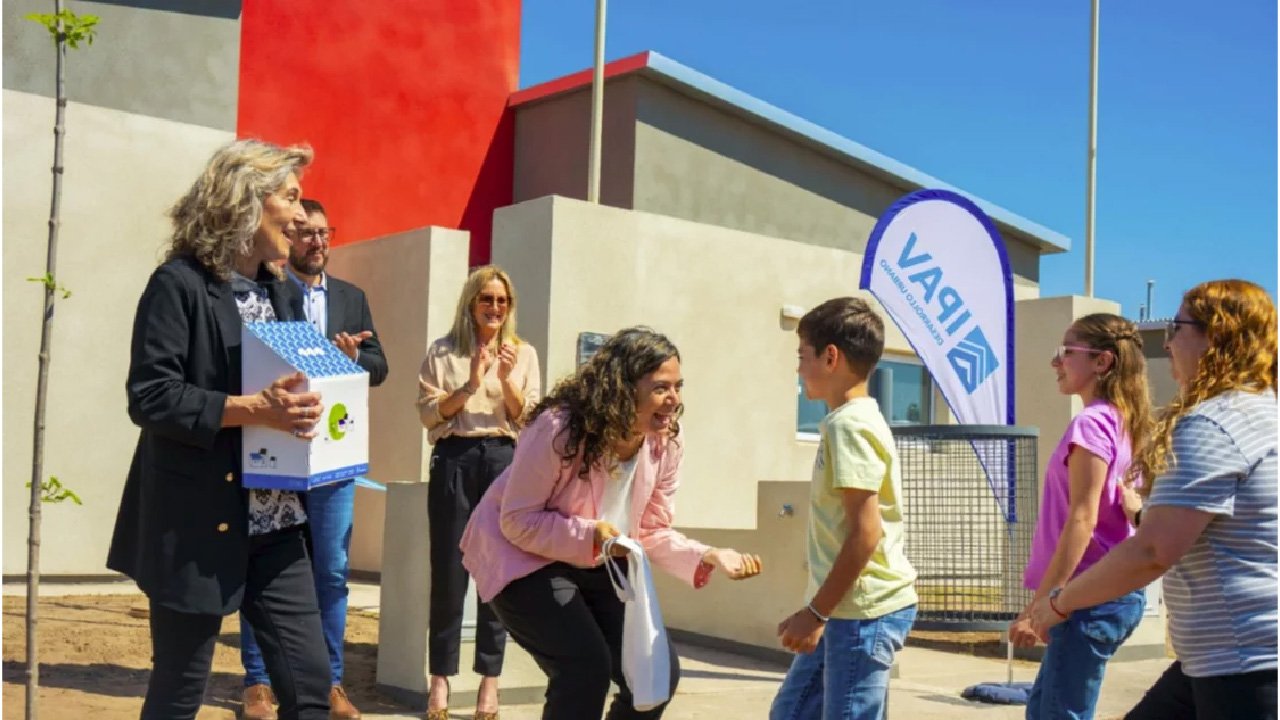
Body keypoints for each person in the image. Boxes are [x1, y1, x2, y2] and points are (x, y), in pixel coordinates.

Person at [106, 139, 332, 720]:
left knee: (310, 689)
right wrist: (254, 410)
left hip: (277, 521)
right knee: (180, 691)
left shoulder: (283, 292)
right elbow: (151, 395)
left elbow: (289, 387)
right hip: (196, 521)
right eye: (290, 198)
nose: (301, 216)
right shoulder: (178, 284)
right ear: (245, 200)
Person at [458, 327, 762, 719]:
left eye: (678, 387)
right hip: (521, 557)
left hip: (597, 560)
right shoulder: (559, 428)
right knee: (584, 668)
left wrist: (709, 555)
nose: (674, 400)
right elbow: (517, 520)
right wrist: (591, 534)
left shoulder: (666, 440)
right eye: (661, 388)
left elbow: (650, 530)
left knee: (655, 677)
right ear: (622, 387)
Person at [1029, 279, 1277, 720]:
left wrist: (1055, 602)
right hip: (1224, 652)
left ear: (1215, 336)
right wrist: (1145, 515)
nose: (1166, 343)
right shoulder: (1262, 412)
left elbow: (1152, 552)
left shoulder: (1214, 424)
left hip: (1241, 658)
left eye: (1176, 328)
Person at [239, 197, 388, 720]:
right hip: (279, 454)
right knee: (267, 567)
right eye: (306, 232)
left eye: (325, 232)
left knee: (331, 572)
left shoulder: (351, 297)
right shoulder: (269, 290)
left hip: (333, 459)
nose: (317, 241)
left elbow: (378, 366)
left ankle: (330, 683)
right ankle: (258, 683)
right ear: (291, 237)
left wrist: (352, 356)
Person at [770, 297, 918, 720]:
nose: (799, 369)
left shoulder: (849, 426)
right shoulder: (849, 422)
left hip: (862, 615)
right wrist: (818, 610)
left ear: (830, 357)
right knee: (790, 713)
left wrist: (816, 612)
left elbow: (865, 532)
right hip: (842, 611)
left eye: (803, 356)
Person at [1008, 313, 1153, 719]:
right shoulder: (1122, 421)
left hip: (1086, 598)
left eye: (1066, 352)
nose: (1056, 362)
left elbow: (1082, 519)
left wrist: (1043, 604)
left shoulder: (1092, 423)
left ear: (1102, 362)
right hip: (1104, 594)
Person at [416, 266, 541, 718]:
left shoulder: (524, 353)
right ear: (471, 303)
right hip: (455, 457)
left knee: (497, 574)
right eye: (486, 299)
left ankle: (491, 681)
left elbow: (530, 418)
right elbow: (428, 414)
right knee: (449, 574)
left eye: (502, 301)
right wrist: (471, 382)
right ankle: (440, 679)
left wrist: (505, 380)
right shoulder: (443, 351)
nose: (494, 307)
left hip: (503, 461)